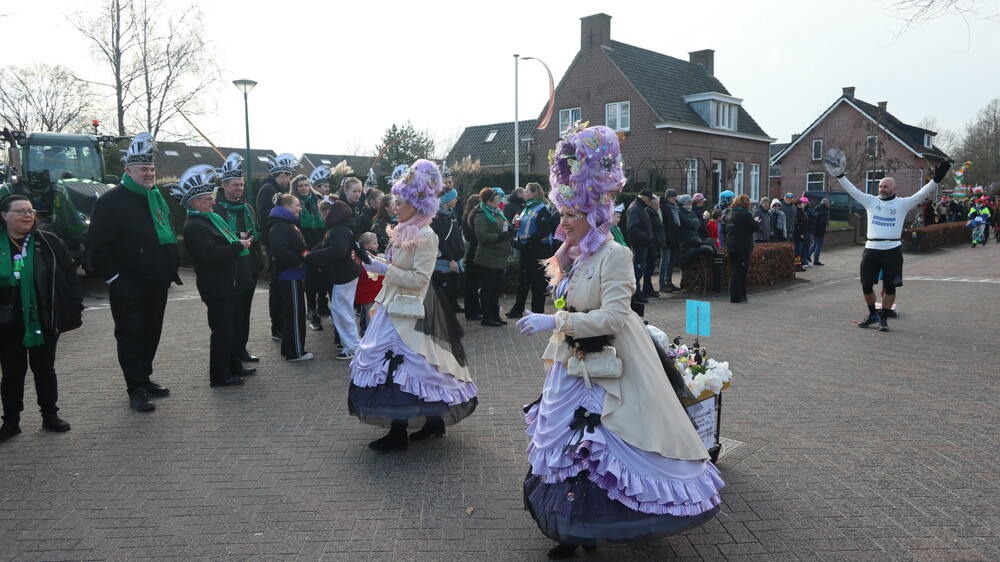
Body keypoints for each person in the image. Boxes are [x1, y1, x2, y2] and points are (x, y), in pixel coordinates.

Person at [514, 126, 723, 558]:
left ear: (593, 215)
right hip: (572, 364)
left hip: (612, 364)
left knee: (603, 444)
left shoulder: (616, 254)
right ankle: (574, 531)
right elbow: (574, 300)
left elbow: (613, 315)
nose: (562, 223)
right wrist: (560, 315)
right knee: (569, 446)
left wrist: (554, 320)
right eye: (561, 214)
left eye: (570, 215)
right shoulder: (575, 256)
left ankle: (595, 527)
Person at [348, 159, 477, 452]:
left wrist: (383, 269)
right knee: (412, 365)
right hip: (393, 304)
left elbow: (419, 279)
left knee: (409, 365)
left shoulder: (427, 235)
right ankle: (433, 422)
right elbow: (396, 266)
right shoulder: (403, 230)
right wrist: (371, 260)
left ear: (417, 206)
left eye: (401, 202)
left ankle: (398, 432)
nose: (395, 207)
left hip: (411, 308)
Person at [86, 133, 180, 412]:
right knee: (131, 335)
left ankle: (144, 377)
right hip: (128, 283)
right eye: (143, 169)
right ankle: (135, 387)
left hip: (157, 281)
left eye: (151, 169)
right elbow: (97, 246)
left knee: (151, 332)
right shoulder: (111, 201)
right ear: (128, 171)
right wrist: (115, 279)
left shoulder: (155, 198)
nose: (149, 173)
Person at [826, 153, 952, 331]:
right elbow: (852, 190)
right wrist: (840, 175)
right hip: (871, 248)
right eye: (880, 186)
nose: (881, 189)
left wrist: (936, 180)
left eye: (885, 186)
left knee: (891, 287)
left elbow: (922, 193)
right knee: (866, 285)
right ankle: (872, 314)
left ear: (894, 188)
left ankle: (884, 318)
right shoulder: (870, 201)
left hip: (892, 249)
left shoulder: (902, 203)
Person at [0, 195, 82, 441]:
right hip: (7, 322)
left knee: (45, 369)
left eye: (30, 211)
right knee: (12, 373)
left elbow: (69, 275)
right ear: (4, 215)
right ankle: (11, 421)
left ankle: (50, 415)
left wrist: (73, 305)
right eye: (20, 211)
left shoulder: (49, 242)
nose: (27, 216)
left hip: (43, 318)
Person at [172, 165, 254, 388]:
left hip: (230, 285)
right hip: (218, 287)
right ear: (195, 202)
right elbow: (209, 255)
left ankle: (234, 365)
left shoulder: (209, 219)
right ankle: (220, 375)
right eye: (209, 199)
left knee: (233, 328)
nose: (213, 202)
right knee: (222, 331)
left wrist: (237, 243)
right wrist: (237, 246)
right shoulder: (194, 226)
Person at [214, 153, 262, 363]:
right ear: (224, 185)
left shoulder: (248, 208)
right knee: (231, 315)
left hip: (249, 268)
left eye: (241, 185)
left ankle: (241, 348)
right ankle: (231, 353)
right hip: (228, 270)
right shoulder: (215, 208)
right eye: (235, 185)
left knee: (244, 312)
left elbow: (258, 234)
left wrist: (258, 262)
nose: (239, 189)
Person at [306, 199, 362, 360]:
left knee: (341, 310)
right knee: (342, 310)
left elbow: (337, 250)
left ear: (328, 213)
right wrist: (312, 254)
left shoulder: (338, 230)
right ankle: (350, 343)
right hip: (346, 274)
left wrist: (312, 256)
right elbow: (326, 245)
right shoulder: (341, 228)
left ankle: (352, 346)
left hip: (344, 275)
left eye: (322, 213)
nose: (322, 217)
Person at [256, 153, 298, 342]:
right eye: (288, 176)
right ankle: (277, 327)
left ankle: (281, 325)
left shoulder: (273, 189)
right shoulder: (269, 190)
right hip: (275, 244)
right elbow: (267, 217)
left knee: (280, 286)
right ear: (282, 174)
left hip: (276, 242)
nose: (289, 181)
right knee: (276, 287)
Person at [269, 194, 313, 361]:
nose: (300, 208)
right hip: (289, 274)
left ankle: (288, 348)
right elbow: (279, 250)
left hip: (292, 274)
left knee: (291, 312)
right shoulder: (281, 226)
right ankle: (295, 352)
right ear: (287, 207)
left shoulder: (286, 224)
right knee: (295, 313)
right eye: (297, 205)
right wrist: (297, 262)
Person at [507, 182, 554, 318]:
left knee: (537, 283)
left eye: (527, 192)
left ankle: (537, 313)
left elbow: (544, 230)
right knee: (522, 280)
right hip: (525, 250)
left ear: (535, 193)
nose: (524, 194)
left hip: (538, 250)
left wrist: (528, 240)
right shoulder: (526, 209)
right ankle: (517, 309)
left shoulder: (542, 209)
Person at [473, 187, 512, 327]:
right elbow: (481, 235)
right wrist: (499, 236)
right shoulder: (481, 215)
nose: (499, 202)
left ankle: (495, 315)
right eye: (496, 200)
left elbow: (503, 227)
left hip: (499, 257)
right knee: (487, 289)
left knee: (496, 289)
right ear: (488, 202)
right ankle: (487, 317)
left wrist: (509, 230)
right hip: (487, 258)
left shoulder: (497, 213)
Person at [431, 188, 466, 313]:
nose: (456, 200)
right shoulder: (437, 218)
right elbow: (441, 241)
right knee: (447, 291)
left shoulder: (451, 214)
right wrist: (450, 259)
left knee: (454, 289)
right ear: (445, 200)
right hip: (445, 261)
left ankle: (453, 307)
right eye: (454, 197)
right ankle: (447, 316)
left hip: (455, 259)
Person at [725, 194, 757, 303]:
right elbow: (754, 227)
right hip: (742, 246)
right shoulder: (745, 215)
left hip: (731, 245)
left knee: (735, 270)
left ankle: (740, 295)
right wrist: (756, 221)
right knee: (741, 272)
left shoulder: (730, 214)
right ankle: (737, 296)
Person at [626, 189, 655, 301]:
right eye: (649, 199)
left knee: (639, 269)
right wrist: (646, 237)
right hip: (639, 245)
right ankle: (634, 294)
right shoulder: (636, 208)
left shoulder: (640, 207)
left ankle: (637, 292)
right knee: (637, 269)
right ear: (644, 198)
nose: (650, 201)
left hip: (643, 244)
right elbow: (632, 228)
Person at [354, 232, 382, 337]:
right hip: (367, 290)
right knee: (370, 312)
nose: (377, 245)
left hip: (370, 290)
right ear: (366, 246)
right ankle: (369, 334)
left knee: (367, 311)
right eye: (374, 243)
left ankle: (364, 330)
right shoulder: (364, 257)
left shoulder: (368, 255)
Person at [461, 194, 483, 321]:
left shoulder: (467, 217)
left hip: (473, 252)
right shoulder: (469, 218)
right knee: (472, 284)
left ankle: (475, 308)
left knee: (473, 283)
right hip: (473, 253)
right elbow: (469, 236)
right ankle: (471, 311)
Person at [659, 189, 681, 293]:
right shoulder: (664, 208)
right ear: (668, 197)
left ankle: (669, 281)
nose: (674, 199)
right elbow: (663, 225)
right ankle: (662, 283)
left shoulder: (673, 208)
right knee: (665, 261)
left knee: (671, 262)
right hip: (667, 239)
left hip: (674, 238)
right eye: (673, 197)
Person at [811, 197, 830, 265]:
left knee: (814, 244)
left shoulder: (816, 210)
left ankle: (807, 255)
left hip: (815, 229)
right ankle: (816, 260)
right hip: (820, 230)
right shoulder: (824, 212)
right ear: (826, 204)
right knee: (819, 246)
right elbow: (823, 222)